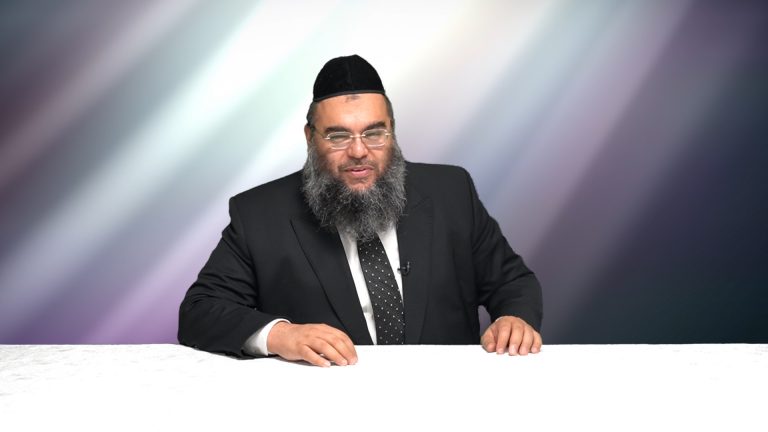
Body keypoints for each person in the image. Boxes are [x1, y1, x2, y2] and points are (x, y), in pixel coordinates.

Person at [178, 54, 543, 367]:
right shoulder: (259, 214)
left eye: (374, 133)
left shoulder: (451, 191)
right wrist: (281, 335)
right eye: (338, 136)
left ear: (392, 131)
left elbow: (511, 281)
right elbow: (200, 311)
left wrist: (514, 318)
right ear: (310, 137)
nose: (358, 151)